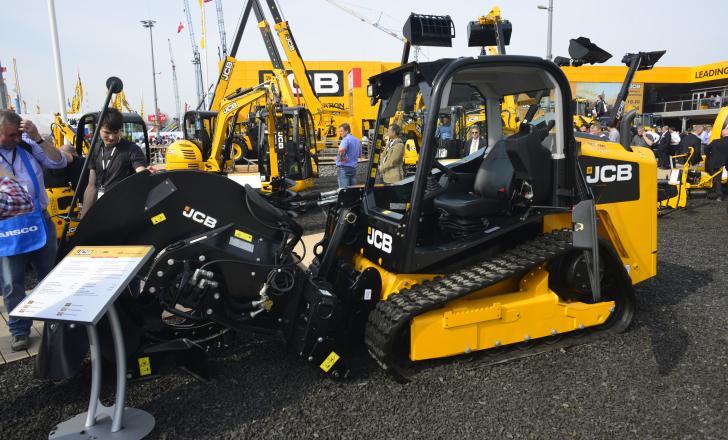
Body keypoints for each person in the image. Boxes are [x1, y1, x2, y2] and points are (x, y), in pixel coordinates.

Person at [0, 110, 67, 351]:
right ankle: (19, 329)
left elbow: (58, 162)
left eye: (17, 134)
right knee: (11, 283)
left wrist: (37, 138)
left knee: (49, 277)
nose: (15, 139)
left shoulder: (27, 146)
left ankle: (54, 323)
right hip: (7, 228)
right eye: (9, 136)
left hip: (40, 221)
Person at [81, 108, 147, 217]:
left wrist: (145, 173)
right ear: (98, 128)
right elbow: (91, 186)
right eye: (107, 133)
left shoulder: (131, 149)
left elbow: (141, 174)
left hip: (123, 210)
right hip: (101, 208)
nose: (111, 137)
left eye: (115, 132)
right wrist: (83, 216)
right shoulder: (94, 149)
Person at [705, 127, 728, 201]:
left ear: (722, 134)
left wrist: (710, 156)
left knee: (717, 179)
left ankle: (719, 196)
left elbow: (706, 150)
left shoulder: (715, 142)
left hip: (716, 162)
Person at [335, 122, 361, 188]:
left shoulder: (345, 140)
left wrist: (341, 158)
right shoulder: (357, 140)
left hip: (344, 168)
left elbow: (342, 150)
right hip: (353, 168)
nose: (340, 133)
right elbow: (360, 155)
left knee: (344, 190)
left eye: (341, 131)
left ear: (346, 131)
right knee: (352, 190)